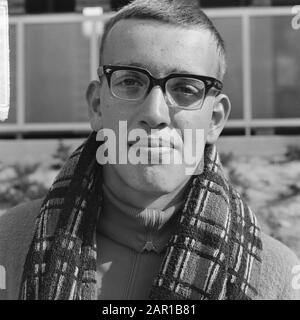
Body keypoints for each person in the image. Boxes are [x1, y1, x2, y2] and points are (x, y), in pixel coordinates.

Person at [0, 0, 299, 300]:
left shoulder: (277, 277)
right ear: (96, 105)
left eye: (185, 88)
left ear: (215, 119)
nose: (154, 113)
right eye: (130, 81)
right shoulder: (9, 246)